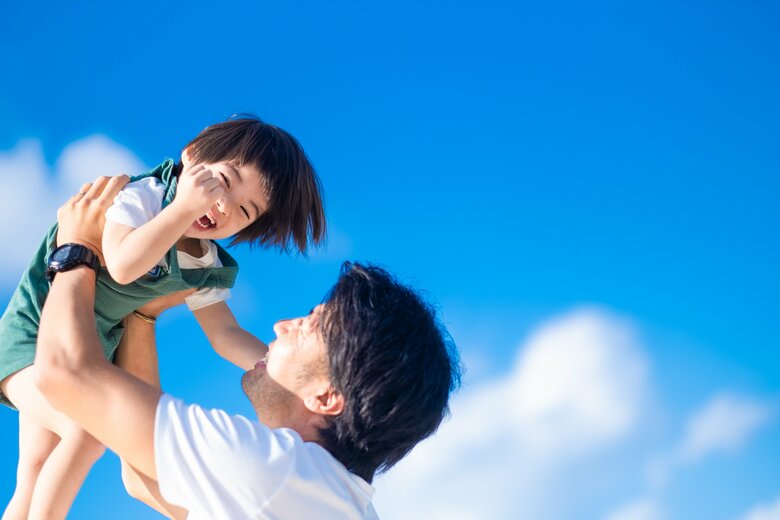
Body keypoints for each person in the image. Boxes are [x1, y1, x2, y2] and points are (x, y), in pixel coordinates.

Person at [32, 176, 460, 518]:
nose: (280, 325)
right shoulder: (335, 499)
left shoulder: (274, 472)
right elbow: (144, 474)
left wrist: (76, 249)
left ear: (328, 396)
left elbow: (63, 373)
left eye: (308, 326)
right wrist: (142, 313)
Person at [0, 116, 326, 520]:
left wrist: (293, 375)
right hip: (34, 334)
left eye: (243, 210)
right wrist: (184, 207)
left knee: (34, 471)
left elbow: (225, 333)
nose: (222, 205)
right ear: (191, 156)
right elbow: (122, 264)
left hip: (84, 345)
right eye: (221, 181)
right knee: (85, 430)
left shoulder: (204, 261)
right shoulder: (143, 197)